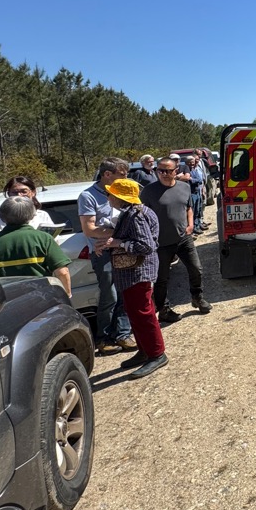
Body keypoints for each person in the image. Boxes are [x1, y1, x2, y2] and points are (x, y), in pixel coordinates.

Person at [100, 178, 167, 379]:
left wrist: (118, 243)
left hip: (138, 272)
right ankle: (145, 350)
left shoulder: (136, 215)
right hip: (132, 272)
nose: (108, 197)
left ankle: (157, 354)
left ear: (120, 197)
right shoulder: (132, 212)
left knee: (143, 313)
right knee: (135, 313)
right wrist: (112, 243)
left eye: (110, 194)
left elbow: (146, 246)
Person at [141, 156, 212, 323]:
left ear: (176, 171)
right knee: (162, 279)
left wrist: (190, 225)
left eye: (168, 171)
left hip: (183, 238)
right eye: (161, 171)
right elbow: (142, 216)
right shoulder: (148, 192)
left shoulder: (184, 187)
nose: (164, 174)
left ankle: (197, 298)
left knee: (196, 269)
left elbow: (188, 207)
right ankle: (164, 310)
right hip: (161, 243)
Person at [78, 158, 137, 353]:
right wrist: (123, 233)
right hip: (103, 252)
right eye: (122, 175)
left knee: (125, 292)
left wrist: (121, 236)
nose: (125, 178)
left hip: (122, 248)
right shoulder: (88, 196)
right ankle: (103, 338)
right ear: (107, 174)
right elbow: (89, 229)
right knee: (110, 295)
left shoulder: (123, 191)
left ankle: (123, 334)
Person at [0, 196, 71, 296]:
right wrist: (67, 294)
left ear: (2, 217)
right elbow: (63, 272)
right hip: (40, 297)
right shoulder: (43, 238)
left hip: (6, 299)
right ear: (32, 215)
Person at [0, 175, 59, 239]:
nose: (19, 195)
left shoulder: (42, 216)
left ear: (33, 192)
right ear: (9, 194)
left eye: (24, 191)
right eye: (14, 192)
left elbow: (53, 241)